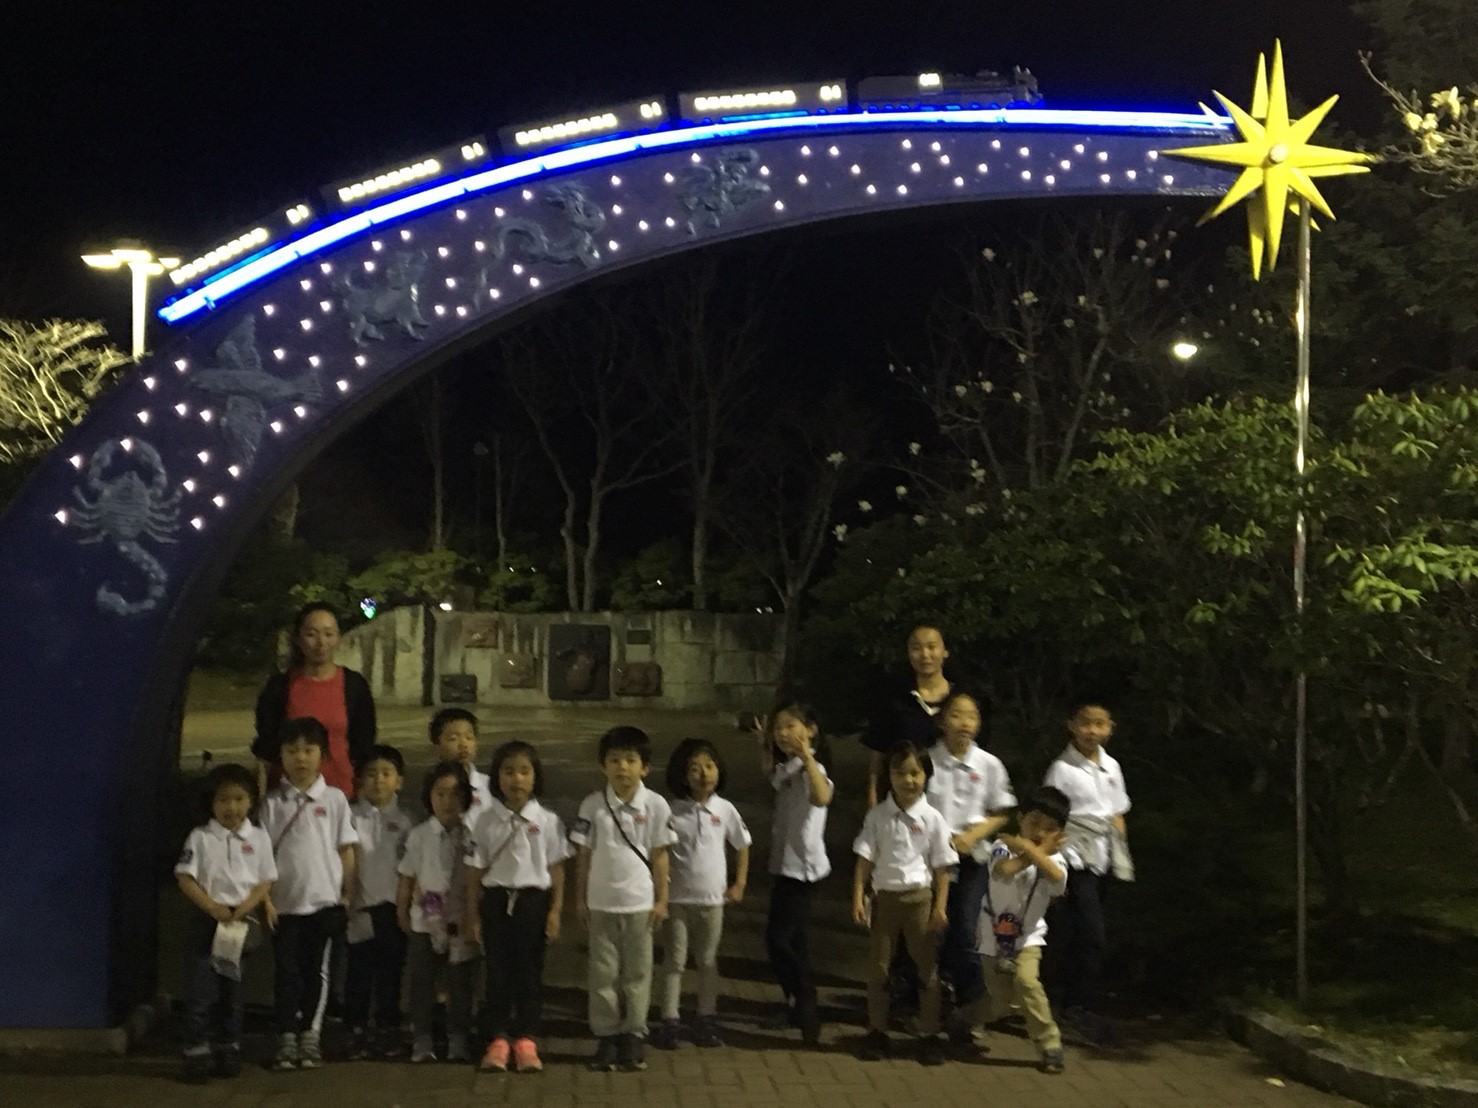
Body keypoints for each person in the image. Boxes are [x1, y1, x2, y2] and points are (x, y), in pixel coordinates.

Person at [570, 726, 675, 1073]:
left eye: (631, 760)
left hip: (639, 905)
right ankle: (606, 1035)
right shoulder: (592, 805)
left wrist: (662, 900)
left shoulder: (656, 805)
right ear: (603, 766)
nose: (622, 768)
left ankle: (634, 1033)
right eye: (614, 760)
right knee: (602, 974)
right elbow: (583, 856)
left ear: (645, 768)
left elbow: (660, 856)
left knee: (637, 973)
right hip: (601, 903)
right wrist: (580, 899)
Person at [258, 717, 359, 1071]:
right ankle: (286, 1035)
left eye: (308, 750)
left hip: (324, 903)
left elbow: (346, 849)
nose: (300, 757)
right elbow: (262, 857)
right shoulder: (272, 803)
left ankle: (310, 1035)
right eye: (292, 750)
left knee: (317, 971)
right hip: (283, 905)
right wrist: (265, 900)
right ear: (281, 756)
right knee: (286, 972)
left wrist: (347, 894)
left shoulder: (334, 800)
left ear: (323, 755)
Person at [466, 740, 569, 1074]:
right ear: (497, 777)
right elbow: (474, 872)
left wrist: (555, 911)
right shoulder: (484, 821)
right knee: (496, 972)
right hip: (496, 901)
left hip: (532, 902)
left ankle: (526, 1038)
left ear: (536, 776)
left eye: (525, 771)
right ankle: (497, 1038)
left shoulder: (548, 820)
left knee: (529, 972)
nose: (517, 779)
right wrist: (473, 914)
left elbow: (556, 869)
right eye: (509, 771)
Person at [852, 740, 954, 1065]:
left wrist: (940, 906)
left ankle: (929, 1033)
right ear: (889, 775)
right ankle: (877, 1031)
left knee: (926, 968)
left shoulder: (933, 818)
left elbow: (942, 868)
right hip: (885, 900)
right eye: (899, 773)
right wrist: (858, 895)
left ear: (926, 776)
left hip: (919, 900)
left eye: (915, 773)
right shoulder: (878, 816)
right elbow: (864, 859)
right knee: (879, 967)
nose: (908, 780)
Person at [174, 763, 276, 1084]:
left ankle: (228, 1047)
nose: (231, 807)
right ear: (211, 803)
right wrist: (211, 907)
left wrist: (245, 906)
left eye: (239, 799)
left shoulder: (258, 838)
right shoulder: (201, 837)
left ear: (251, 801)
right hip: (207, 920)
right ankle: (196, 1052)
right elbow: (185, 878)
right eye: (223, 800)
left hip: (239, 922)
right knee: (201, 992)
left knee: (233, 993)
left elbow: (265, 880)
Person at [651, 738, 751, 1050]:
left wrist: (739, 883)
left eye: (709, 766)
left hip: (712, 900)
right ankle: (669, 1019)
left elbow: (742, 845)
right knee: (675, 961)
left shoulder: (725, 809)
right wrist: (660, 891)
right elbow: (659, 852)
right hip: (677, 900)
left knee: (707, 960)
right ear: (682, 775)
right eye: (695, 769)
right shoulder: (672, 811)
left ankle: (706, 1017)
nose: (704, 774)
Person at [925, 691, 1014, 1036]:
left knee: (965, 925)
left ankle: (972, 1003)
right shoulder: (927, 760)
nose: (965, 723)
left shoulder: (989, 764)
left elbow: (1001, 812)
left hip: (973, 858)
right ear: (942, 720)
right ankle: (933, 1001)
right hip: (933, 859)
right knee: (933, 929)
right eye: (957, 715)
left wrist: (972, 835)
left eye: (972, 716)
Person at [1042, 703, 1132, 1036]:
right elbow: (1050, 816)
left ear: (1110, 728)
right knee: (1089, 932)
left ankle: (1071, 999)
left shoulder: (1112, 767)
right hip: (1074, 859)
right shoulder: (1062, 769)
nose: (1092, 731)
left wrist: (1121, 853)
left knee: (1081, 933)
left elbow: (1117, 812)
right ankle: (1076, 1002)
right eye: (1085, 724)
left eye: (1099, 724)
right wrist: (1054, 863)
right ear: (1072, 726)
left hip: (1103, 858)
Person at [974, 786, 1072, 1074]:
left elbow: (1057, 879)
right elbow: (1004, 870)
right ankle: (964, 1019)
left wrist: (1031, 849)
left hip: (1028, 937)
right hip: (993, 936)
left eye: (1050, 828)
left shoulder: (1055, 858)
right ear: (1020, 819)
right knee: (1001, 1004)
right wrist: (1033, 852)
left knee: (1028, 982)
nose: (1040, 832)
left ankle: (1050, 1045)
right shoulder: (1000, 847)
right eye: (1034, 822)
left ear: (1060, 834)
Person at [757, 699, 834, 1046]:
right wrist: (764, 745)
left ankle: (805, 1001)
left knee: (778, 939)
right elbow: (771, 777)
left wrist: (807, 758)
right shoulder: (788, 768)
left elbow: (822, 797)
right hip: (785, 864)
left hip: (802, 869)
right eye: (778, 728)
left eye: (791, 726)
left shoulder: (811, 768)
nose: (783, 733)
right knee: (796, 941)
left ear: (811, 730)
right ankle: (797, 1003)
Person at [398, 761, 480, 1064]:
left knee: (460, 981)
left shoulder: (471, 836)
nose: (448, 801)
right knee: (422, 979)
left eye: (455, 794)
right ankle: (422, 1037)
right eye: (440, 794)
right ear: (429, 797)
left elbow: (476, 879)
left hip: (460, 918)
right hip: (425, 918)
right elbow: (407, 876)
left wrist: (474, 916)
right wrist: (402, 911)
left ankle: (458, 1037)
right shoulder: (419, 835)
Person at [252, 603, 377, 798]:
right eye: (311, 634)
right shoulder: (280, 687)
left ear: (338, 638)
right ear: (298, 639)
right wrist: (259, 800)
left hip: (341, 795)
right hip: (288, 797)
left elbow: (364, 746)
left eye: (329, 634)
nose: (321, 642)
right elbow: (266, 751)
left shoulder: (354, 685)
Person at [345, 744, 412, 1060]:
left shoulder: (407, 822)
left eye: (386, 773)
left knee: (390, 973)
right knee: (358, 973)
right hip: (359, 907)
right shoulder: (349, 817)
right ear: (359, 780)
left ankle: (388, 1027)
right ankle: (355, 1028)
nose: (379, 780)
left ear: (399, 781)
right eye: (371, 774)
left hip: (392, 909)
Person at [861, 625, 955, 808]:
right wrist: (873, 795)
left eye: (932, 647)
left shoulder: (959, 699)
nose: (925, 654)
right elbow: (878, 751)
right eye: (916, 648)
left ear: (945, 651)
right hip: (903, 798)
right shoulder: (894, 699)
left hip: (950, 798)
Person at [430, 707, 494, 816]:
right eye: (453, 739)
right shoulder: (432, 787)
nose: (463, 744)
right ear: (437, 746)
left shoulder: (490, 786)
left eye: (469, 738)